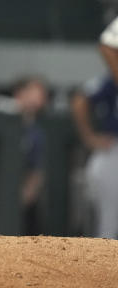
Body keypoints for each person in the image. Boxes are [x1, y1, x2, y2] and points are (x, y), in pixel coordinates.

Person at [70, 19, 118, 239]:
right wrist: (89, 137)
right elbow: (80, 100)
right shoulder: (110, 81)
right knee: (108, 224)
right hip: (113, 150)